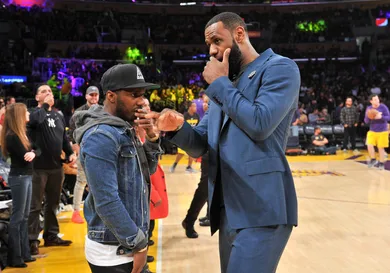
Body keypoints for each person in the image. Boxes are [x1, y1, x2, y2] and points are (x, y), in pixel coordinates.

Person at [147, 12, 299, 273]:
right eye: (209, 45)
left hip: (262, 207)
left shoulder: (279, 68)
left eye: (217, 41)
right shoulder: (227, 85)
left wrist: (219, 83)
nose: (213, 50)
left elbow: (260, 123)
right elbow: (201, 144)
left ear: (240, 33)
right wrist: (178, 128)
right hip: (228, 209)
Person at [73, 64, 162, 273]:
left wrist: (151, 137)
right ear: (111, 96)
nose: (141, 100)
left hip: (126, 244)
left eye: (142, 94)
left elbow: (146, 170)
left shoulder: (122, 128)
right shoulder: (101, 136)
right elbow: (106, 201)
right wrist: (138, 243)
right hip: (113, 253)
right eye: (134, 94)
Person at [27, 84, 76, 255]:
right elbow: (35, 122)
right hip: (38, 167)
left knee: (53, 203)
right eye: (43, 91)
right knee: (35, 205)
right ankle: (32, 240)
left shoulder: (58, 115)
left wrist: (70, 153)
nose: (48, 93)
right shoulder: (33, 113)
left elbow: (63, 138)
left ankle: (51, 235)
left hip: (56, 166)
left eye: (49, 91)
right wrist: (46, 106)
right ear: (37, 97)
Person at [0, 103, 39, 268]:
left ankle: (24, 253)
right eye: (26, 112)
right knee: (18, 217)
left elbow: (37, 149)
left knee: (23, 217)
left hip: (26, 176)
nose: (29, 114)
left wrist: (34, 153)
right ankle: (15, 257)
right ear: (18, 115)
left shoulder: (22, 133)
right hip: (20, 177)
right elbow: (26, 155)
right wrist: (32, 153)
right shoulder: (12, 136)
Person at [68, 86, 100, 224]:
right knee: (81, 181)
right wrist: (78, 151)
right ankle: (76, 211)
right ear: (86, 96)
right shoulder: (79, 112)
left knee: (100, 181)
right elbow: (72, 135)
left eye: (96, 95)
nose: (93, 98)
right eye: (91, 95)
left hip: (100, 151)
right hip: (84, 150)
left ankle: (99, 210)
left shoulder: (103, 110)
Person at [182, 95, 210, 239]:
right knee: (204, 190)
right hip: (211, 153)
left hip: (230, 153)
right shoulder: (211, 111)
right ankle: (189, 220)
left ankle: (212, 216)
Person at [170, 102, 200, 173]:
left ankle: (189, 167)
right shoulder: (185, 116)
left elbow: (198, 125)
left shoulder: (197, 115)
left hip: (193, 137)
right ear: (190, 107)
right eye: (194, 106)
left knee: (193, 152)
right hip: (184, 137)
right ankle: (174, 164)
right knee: (181, 153)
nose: (196, 108)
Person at [364, 94, 390, 170]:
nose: (377, 100)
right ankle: (373, 160)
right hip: (372, 130)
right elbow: (366, 121)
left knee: (380, 148)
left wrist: (381, 117)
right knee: (369, 145)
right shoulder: (369, 109)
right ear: (371, 101)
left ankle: (381, 164)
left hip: (383, 131)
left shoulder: (383, 107)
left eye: (377, 99)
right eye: (375, 99)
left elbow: (388, 117)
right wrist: (369, 117)